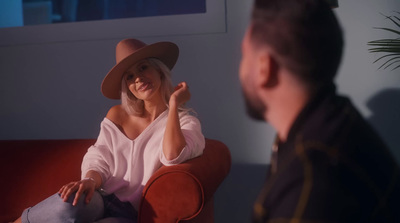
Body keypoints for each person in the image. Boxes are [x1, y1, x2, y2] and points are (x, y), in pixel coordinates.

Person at [239, 0, 400, 222]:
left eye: (244, 56)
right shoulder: (333, 121)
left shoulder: (312, 179)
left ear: (264, 68)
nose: (239, 71)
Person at [13, 38, 205, 223]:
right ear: (128, 87)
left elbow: (172, 156)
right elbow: (99, 156)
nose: (138, 78)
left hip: (132, 213)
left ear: (160, 70)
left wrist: (173, 105)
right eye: (130, 76)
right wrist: (89, 180)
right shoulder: (118, 114)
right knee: (68, 203)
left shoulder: (186, 122)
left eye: (143, 67)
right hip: (102, 198)